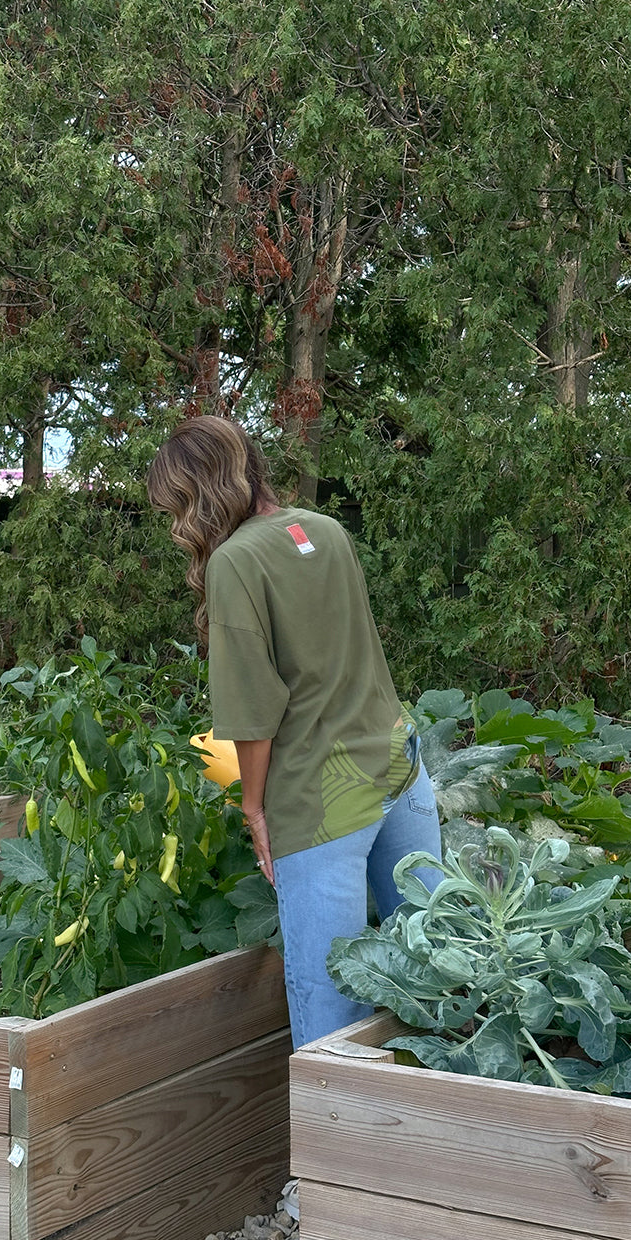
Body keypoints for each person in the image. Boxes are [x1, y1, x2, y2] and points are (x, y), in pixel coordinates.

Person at [147, 415, 443, 1051]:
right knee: (439, 982)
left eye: (176, 508)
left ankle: (343, 1151)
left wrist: (254, 809)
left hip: (323, 801)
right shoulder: (327, 531)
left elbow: (253, 713)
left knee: (328, 1026)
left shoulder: (234, 562)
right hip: (401, 768)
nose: (176, 528)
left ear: (202, 493)